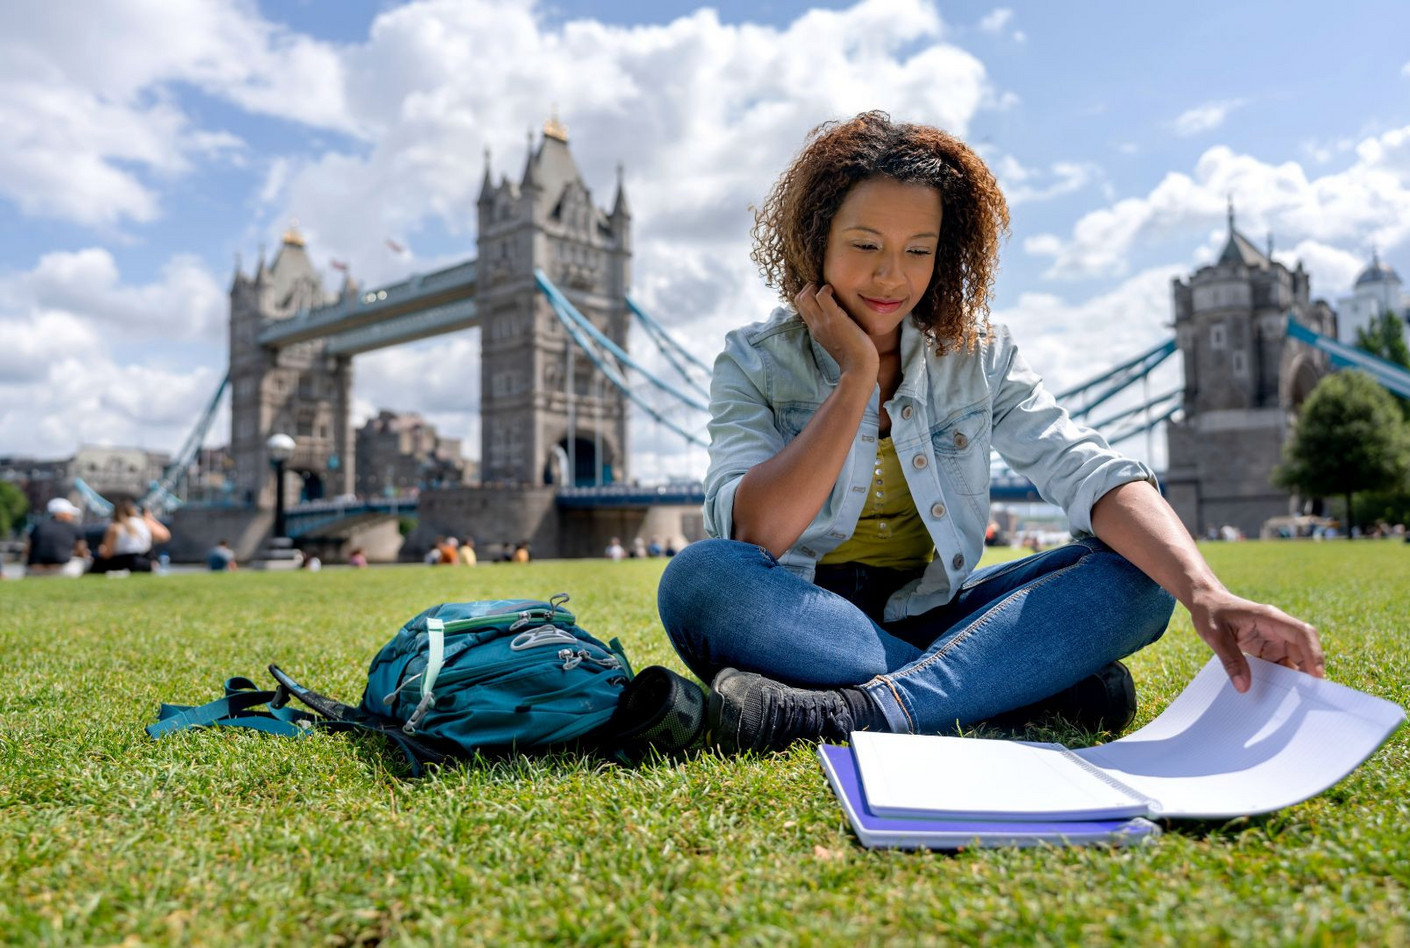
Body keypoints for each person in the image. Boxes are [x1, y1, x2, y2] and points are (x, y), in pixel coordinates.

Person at [657, 111, 1324, 755]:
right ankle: (1015, 688)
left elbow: (1084, 467)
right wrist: (856, 376)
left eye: (918, 250)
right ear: (816, 239)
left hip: (943, 614)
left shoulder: (980, 355)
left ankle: (862, 711)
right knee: (700, 579)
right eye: (865, 246)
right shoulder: (752, 360)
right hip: (801, 617)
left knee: (1144, 578)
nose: (893, 276)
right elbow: (757, 534)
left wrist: (1205, 591)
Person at [90, 500, 170, 574]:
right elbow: (165, 535)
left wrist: (101, 549)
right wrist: (150, 518)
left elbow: (107, 553)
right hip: (144, 562)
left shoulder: (115, 527)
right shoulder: (144, 522)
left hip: (121, 562)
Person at [24, 498, 88, 577]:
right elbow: (81, 552)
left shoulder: (37, 527)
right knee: (84, 560)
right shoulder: (74, 527)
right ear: (62, 514)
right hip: (62, 571)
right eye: (70, 513)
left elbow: (27, 551)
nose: (72, 516)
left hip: (34, 570)